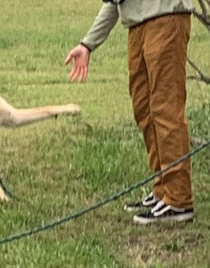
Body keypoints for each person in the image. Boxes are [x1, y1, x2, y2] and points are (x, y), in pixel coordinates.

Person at [64, 0, 194, 224]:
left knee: (166, 109)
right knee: (144, 109)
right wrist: (87, 44)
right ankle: (163, 188)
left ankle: (178, 198)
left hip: (164, 20)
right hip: (138, 26)